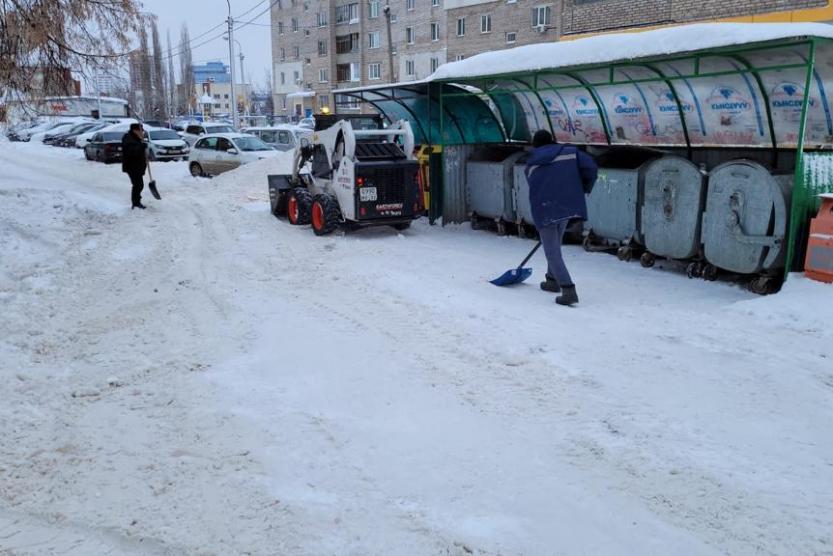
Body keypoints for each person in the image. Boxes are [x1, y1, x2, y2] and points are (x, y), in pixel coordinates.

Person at [524, 129, 598, 306]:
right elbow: (592, 168)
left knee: (552, 252)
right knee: (555, 245)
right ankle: (552, 280)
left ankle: (568, 289)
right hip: (568, 203)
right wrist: (584, 187)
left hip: (546, 208)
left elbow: (534, 188)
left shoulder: (531, 164)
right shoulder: (571, 153)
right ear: (552, 141)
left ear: (536, 145)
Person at [122, 123, 148, 209]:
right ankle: (136, 203)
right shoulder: (128, 138)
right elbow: (131, 152)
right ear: (135, 131)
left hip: (137, 166)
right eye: (141, 131)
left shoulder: (136, 138)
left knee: (138, 184)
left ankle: (136, 202)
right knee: (138, 184)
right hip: (132, 166)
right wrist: (141, 146)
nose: (142, 133)